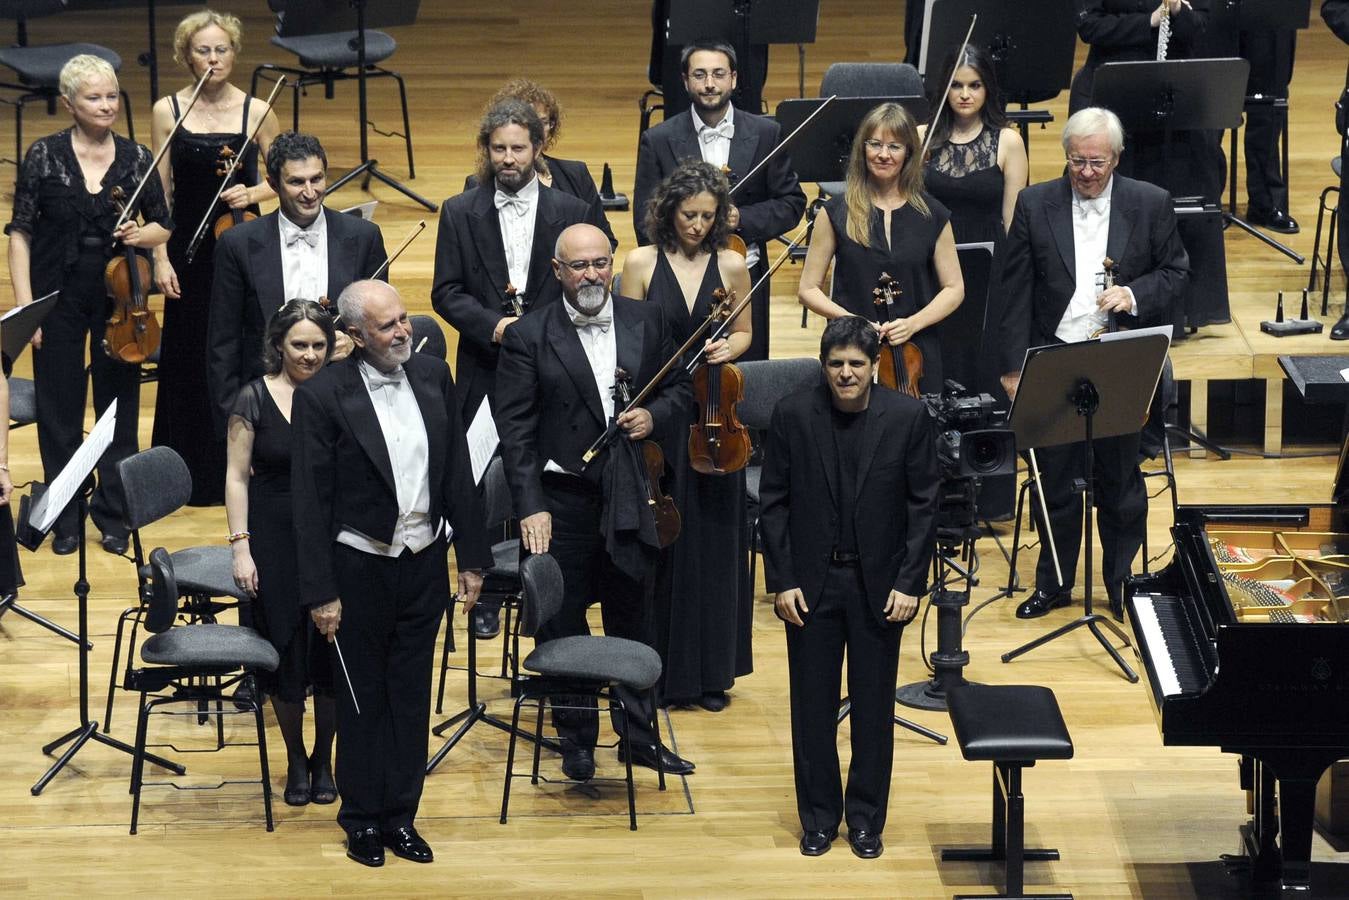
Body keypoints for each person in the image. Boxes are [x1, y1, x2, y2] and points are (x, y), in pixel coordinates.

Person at [292, 280, 491, 868]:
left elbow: (457, 471)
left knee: (409, 695)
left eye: (404, 319)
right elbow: (309, 502)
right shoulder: (323, 394)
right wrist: (321, 592)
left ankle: (402, 814)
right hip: (357, 567)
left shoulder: (433, 377)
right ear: (354, 336)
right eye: (388, 326)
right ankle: (360, 819)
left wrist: (473, 558)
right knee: (361, 699)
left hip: (422, 560)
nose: (404, 331)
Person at [495, 223, 696, 781]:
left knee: (635, 613)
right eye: (579, 265)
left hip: (633, 493)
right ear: (557, 270)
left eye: (601, 263)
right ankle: (577, 737)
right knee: (562, 620)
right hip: (563, 503)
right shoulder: (528, 336)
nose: (592, 275)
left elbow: (680, 385)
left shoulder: (647, 318)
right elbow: (516, 434)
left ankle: (638, 735)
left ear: (613, 265)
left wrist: (655, 415)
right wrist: (530, 505)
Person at [759, 316, 940, 860]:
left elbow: (923, 506)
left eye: (856, 365)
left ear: (873, 367)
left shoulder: (908, 417)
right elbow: (773, 503)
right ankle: (817, 818)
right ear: (823, 365)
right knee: (811, 709)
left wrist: (911, 582)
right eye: (835, 364)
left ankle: (865, 819)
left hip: (879, 586)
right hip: (810, 587)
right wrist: (782, 579)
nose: (845, 374)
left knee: (873, 707)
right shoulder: (792, 413)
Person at [998, 107, 1189, 622]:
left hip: (1121, 359)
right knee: (1053, 480)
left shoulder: (1150, 203)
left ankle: (1121, 582)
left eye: (1096, 163)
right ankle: (1055, 580)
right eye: (1077, 161)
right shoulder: (1035, 204)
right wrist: (1014, 369)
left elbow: (1176, 273)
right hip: (1055, 354)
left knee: (1121, 480)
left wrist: (1134, 293)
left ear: (1116, 158)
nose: (1086, 172)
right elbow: (1012, 290)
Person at [5, 54, 172, 556]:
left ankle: (114, 513)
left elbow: (163, 224)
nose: (106, 106)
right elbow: (20, 235)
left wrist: (139, 233)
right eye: (94, 98)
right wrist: (25, 308)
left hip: (119, 300)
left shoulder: (137, 158)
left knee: (117, 408)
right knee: (58, 405)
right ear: (68, 104)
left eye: (112, 96)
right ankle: (66, 513)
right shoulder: (44, 156)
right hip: (55, 297)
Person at [620, 161, 753, 711]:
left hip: (714, 416)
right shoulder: (640, 262)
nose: (697, 225)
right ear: (667, 211)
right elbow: (626, 336)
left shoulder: (733, 264)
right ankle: (659, 670)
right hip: (662, 414)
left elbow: (745, 331)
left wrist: (729, 348)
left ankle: (709, 673)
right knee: (667, 542)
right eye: (688, 214)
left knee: (715, 544)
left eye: (707, 215)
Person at [151, 10, 280, 507]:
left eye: (221, 49)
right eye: (202, 50)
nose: (213, 58)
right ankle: (184, 473)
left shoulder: (256, 111)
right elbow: (159, 193)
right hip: (186, 248)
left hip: (240, 247)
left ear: (234, 52)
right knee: (186, 354)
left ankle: (243, 464)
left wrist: (254, 193)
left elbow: (288, 173)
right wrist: (160, 259)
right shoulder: (169, 110)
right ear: (187, 57)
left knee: (238, 351)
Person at [225, 299, 336, 809]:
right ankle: (295, 757)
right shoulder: (253, 398)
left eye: (318, 345)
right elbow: (236, 478)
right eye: (299, 345)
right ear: (277, 346)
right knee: (287, 652)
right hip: (273, 532)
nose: (310, 355)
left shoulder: (340, 392)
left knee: (332, 654)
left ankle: (324, 759)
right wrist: (241, 548)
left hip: (333, 534)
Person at [634, 38, 806, 361]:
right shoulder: (658, 140)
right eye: (699, 75)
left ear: (734, 79)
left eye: (718, 74)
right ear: (685, 81)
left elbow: (792, 203)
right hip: (681, 279)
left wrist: (742, 219)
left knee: (746, 379)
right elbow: (645, 218)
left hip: (746, 274)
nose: (710, 84)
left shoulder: (766, 133)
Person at [207, 131, 387, 438]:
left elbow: (379, 325)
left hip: (347, 400)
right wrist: (233, 430)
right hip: (269, 407)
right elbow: (222, 345)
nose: (310, 192)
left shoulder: (364, 237)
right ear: (273, 184)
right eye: (296, 182)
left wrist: (355, 341)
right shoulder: (237, 244)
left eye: (317, 179)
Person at [432, 98, 598, 421]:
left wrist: (542, 330)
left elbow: (585, 286)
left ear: (537, 148)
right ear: (487, 150)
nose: (508, 159)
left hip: (557, 359)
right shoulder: (458, 211)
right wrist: (495, 327)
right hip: (485, 361)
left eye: (518, 149)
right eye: (499, 149)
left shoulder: (572, 211)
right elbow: (445, 292)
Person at [1070, 0, 1227, 333]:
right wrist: (1151, 21)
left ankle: (1179, 310)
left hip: (1173, 92)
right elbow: (1090, 26)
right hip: (1114, 87)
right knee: (1121, 194)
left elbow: (1201, 26)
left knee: (1191, 176)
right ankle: (1110, 307)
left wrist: (1181, 13)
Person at [798, 102, 964, 395]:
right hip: (853, 351)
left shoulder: (933, 214)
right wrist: (852, 321)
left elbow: (954, 288)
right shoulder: (835, 212)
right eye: (875, 144)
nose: (883, 155)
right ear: (862, 149)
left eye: (895, 146)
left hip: (918, 352)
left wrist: (912, 324)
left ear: (909, 153)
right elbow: (808, 289)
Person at [464, 79, 617, 249]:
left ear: (552, 125)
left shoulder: (576, 175)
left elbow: (605, 240)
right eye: (527, 122)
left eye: (543, 122)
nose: (537, 130)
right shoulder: (477, 183)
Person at [923, 45, 1029, 244]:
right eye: (956, 85)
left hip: (989, 255)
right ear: (945, 88)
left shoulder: (1009, 141)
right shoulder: (921, 137)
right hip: (933, 253)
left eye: (974, 85)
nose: (964, 94)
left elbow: (1011, 223)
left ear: (987, 88)